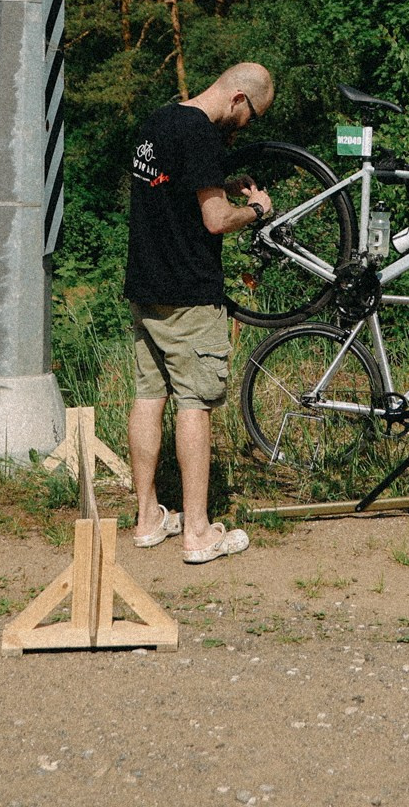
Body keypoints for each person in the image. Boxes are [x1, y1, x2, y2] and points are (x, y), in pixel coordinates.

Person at [124, 62, 276, 565]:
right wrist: (255, 211)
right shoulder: (203, 135)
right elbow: (214, 221)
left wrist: (223, 184)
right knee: (195, 402)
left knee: (149, 396)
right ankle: (198, 532)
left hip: (145, 287)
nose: (247, 124)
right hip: (189, 292)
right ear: (237, 98)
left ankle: (148, 519)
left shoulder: (159, 121)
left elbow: (175, 191)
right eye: (252, 114)